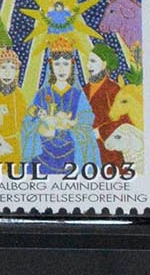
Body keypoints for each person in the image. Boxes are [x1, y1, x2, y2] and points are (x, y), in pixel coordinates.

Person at [21, 46, 101, 177]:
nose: (61, 69)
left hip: (72, 148)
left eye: (65, 64)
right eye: (57, 64)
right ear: (51, 66)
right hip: (43, 151)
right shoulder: (42, 93)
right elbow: (28, 122)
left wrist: (69, 125)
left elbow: (86, 119)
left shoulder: (78, 94)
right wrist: (43, 126)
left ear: (72, 65)